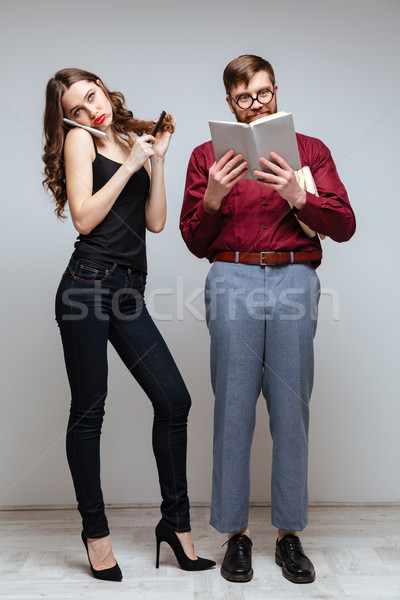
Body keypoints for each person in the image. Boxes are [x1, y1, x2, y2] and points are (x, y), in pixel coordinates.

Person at [180, 54, 356, 584]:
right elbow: (194, 242)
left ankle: (288, 536)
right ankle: (235, 536)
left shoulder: (311, 151)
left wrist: (301, 196)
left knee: (290, 408)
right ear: (228, 104)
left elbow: (344, 225)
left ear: (276, 90)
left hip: (294, 278)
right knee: (233, 407)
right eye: (243, 98)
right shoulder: (206, 156)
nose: (255, 105)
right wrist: (211, 196)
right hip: (231, 277)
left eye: (262, 94)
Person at [42, 68, 215, 581]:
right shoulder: (80, 141)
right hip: (86, 285)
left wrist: (155, 162)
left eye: (90, 96)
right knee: (90, 411)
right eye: (75, 108)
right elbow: (83, 218)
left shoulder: (125, 138)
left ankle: (176, 527)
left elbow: (156, 222)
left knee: (173, 400)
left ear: (103, 88)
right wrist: (129, 164)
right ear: (67, 119)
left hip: (127, 290)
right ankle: (96, 535)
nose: (87, 110)